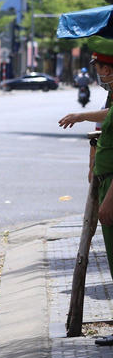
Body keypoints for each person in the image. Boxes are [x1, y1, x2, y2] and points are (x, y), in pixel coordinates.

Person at [60, 51, 113, 283]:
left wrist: (109, 199)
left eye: (98, 68)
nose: (97, 74)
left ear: (107, 70)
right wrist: (81, 116)